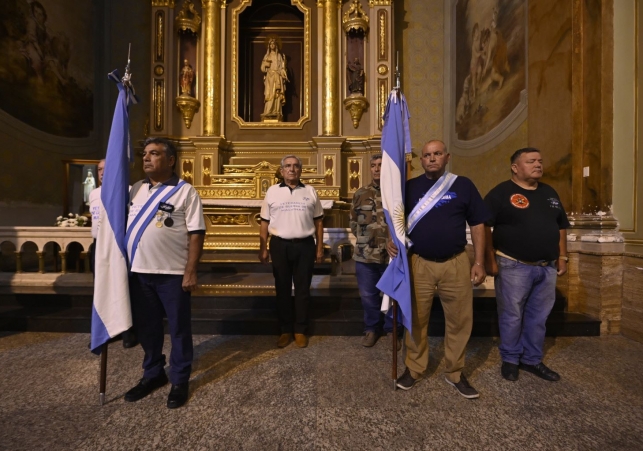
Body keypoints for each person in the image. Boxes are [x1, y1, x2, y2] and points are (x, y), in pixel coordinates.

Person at [388, 140, 489, 399]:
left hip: (455, 263)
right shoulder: (409, 188)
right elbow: (397, 220)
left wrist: (479, 262)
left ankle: (455, 372)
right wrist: (392, 239)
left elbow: (478, 224)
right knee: (416, 319)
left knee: (459, 320)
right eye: (427, 155)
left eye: (437, 154)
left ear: (447, 157)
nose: (432, 159)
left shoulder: (463, 185)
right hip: (418, 263)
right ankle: (414, 368)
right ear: (421, 160)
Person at [124, 137, 205, 409]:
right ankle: (153, 373)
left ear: (170, 160)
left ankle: (180, 379)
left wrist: (190, 271)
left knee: (179, 330)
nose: (146, 158)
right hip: (139, 273)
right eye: (144, 153)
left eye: (154, 153)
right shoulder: (135, 189)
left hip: (172, 274)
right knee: (147, 329)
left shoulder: (185, 192)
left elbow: (196, 234)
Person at [484, 147, 569, 382]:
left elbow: (561, 225)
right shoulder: (501, 193)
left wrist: (563, 256)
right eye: (531, 161)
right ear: (515, 168)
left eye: (540, 161)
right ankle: (510, 359)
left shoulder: (550, 193)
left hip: (547, 266)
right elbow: (484, 226)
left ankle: (532, 359)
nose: (538, 165)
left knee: (538, 316)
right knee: (512, 315)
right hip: (514, 265)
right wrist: (489, 258)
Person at [259, 155, 324, 348]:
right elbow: (264, 221)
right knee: (283, 288)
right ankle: (285, 329)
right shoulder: (272, 191)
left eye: (296, 166)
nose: (292, 169)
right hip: (280, 245)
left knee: (303, 289)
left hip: (305, 245)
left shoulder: (310, 191)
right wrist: (263, 248)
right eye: (288, 166)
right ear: (281, 171)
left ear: (301, 170)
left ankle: (300, 330)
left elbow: (319, 221)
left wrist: (319, 247)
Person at [350, 154, 401, 348]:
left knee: (393, 294)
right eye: (373, 166)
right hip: (365, 255)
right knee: (368, 295)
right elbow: (353, 221)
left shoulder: (397, 194)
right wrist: (366, 239)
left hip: (392, 256)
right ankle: (371, 328)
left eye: (380, 165)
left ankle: (392, 330)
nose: (376, 169)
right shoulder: (360, 193)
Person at [88, 159, 138, 349]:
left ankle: (128, 330)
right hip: (98, 245)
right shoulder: (94, 193)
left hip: (118, 245)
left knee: (123, 285)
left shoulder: (129, 190)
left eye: (106, 169)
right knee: (101, 285)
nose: (102, 173)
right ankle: (107, 329)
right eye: (99, 169)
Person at [260, 36, 288, 120]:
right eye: (271, 44)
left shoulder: (279, 56)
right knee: (269, 94)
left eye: (274, 44)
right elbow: (262, 68)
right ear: (269, 46)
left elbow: (282, 68)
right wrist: (265, 66)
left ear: (276, 45)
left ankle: (276, 111)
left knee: (277, 95)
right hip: (270, 78)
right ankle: (268, 112)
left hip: (277, 77)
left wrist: (283, 74)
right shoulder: (267, 56)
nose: (272, 45)